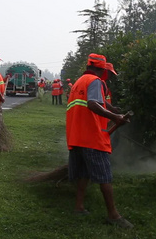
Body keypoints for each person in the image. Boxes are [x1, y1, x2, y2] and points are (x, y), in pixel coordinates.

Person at [65, 53, 133, 229]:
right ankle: (113, 215)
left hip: (76, 137)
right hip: (92, 137)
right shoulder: (95, 81)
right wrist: (116, 117)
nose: (107, 76)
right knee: (105, 177)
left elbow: (93, 103)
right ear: (102, 70)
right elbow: (93, 104)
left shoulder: (80, 82)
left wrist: (111, 110)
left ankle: (79, 207)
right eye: (107, 73)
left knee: (83, 174)